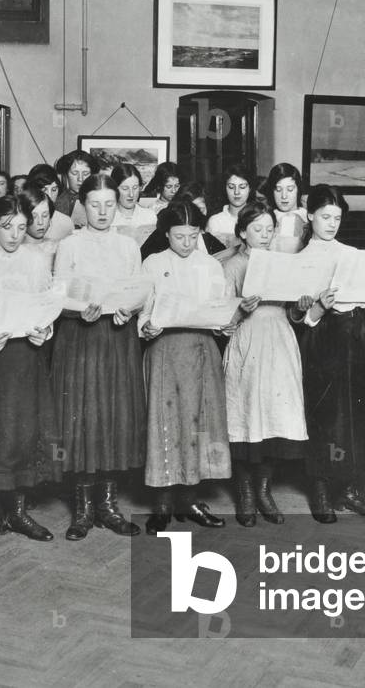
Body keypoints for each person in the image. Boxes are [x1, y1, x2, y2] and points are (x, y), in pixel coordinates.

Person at [294, 184, 365, 523]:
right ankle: (322, 489)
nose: (331, 224)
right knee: (327, 414)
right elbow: (300, 320)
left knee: (358, 413)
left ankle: (350, 489)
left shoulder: (351, 253)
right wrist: (317, 308)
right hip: (323, 342)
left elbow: (361, 307)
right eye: (325, 217)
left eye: (337, 218)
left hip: (356, 338)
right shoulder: (300, 260)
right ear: (310, 214)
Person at [51, 173, 146, 540]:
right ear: (82, 205)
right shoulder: (70, 245)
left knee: (113, 417)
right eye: (95, 204)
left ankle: (108, 505)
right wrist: (78, 311)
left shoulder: (127, 246)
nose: (103, 211)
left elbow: (138, 289)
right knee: (83, 417)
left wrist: (129, 310)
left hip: (117, 338)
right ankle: (83, 509)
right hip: (81, 337)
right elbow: (59, 296)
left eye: (109, 204)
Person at [0, 195, 61, 547]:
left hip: (26, 356)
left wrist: (43, 331)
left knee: (25, 429)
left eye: (21, 227)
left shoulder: (37, 261)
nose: (15, 235)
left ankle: (18, 511)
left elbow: (47, 306)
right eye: (7, 227)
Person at [140, 201, 232, 533]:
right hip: (165, 350)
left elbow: (220, 306)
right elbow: (144, 308)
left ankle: (190, 498)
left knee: (199, 421)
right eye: (180, 236)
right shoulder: (153, 262)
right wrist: (146, 325)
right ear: (167, 234)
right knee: (166, 421)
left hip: (201, 350)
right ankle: (162, 503)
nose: (187, 243)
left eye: (193, 236)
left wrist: (225, 323)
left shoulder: (210, 265)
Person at [222, 200, 308, 526]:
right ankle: (244, 492)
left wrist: (300, 307)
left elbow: (293, 313)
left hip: (280, 340)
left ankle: (263, 489)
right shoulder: (231, 266)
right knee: (246, 416)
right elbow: (220, 318)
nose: (263, 235)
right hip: (247, 341)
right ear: (242, 232)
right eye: (257, 229)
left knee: (275, 417)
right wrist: (241, 309)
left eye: (269, 229)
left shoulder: (281, 262)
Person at [263, 163, 308, 254]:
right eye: (278, 190)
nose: (284, 196)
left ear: (298, 190)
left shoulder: (308, 219)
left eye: (290, 189)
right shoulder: (266, 218)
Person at [207, 164, 253, 247]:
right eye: (231, 187)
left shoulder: (258, 218)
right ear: (225, 188)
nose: (236, 192)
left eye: (242, 187)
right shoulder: (216, 221)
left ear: (250, 189)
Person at [27, 165, 73, 240]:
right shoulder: (22, 219)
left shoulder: (66, 222)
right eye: (44, 190)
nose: (50, 196)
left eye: (54, 190)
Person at [20, 183, 60, 270]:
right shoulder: (15, 249)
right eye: (34, 216)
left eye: (45, 215)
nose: (40, 222)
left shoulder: (57, 247)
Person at [109, 163, 157, 231]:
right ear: (114, 189)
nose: (131, 194)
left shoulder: (150, 216)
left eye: (135, 188)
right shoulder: (107, 217)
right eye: (125, 188)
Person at [53, 150, 96, 226]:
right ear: (65, 175)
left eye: (85, 173)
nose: (80, 179)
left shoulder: (98, 198)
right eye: (75, 173)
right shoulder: (59, 202)